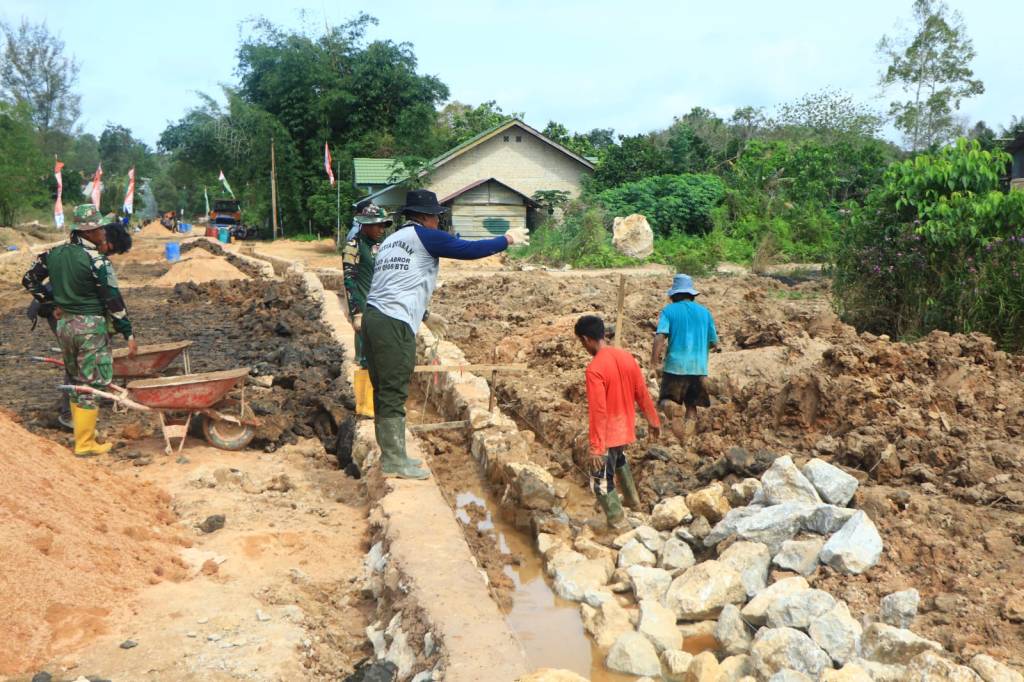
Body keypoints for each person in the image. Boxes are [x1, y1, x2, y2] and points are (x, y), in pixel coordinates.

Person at [362, 189, 529, 479]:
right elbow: (468, 250)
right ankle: (394, 461)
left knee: (384, 386)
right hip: (393, 322)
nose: (438, 223)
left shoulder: (392, 240)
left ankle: (395, 455)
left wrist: (425, 314)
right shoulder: (426, 236)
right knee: (393, 388)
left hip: (374, 317)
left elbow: (396, 283)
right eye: (436, 218)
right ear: (426, 217)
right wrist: (507, 239)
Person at [23, 221, 135, 430]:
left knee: (81, 359)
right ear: (101, 238)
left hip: (69, 311)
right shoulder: (79, 258)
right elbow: (110, 297)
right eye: (110, 249)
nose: (108, 254)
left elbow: (105, 295)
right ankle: (70, 414)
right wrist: (125, 329)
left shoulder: (82, 256)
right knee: (78, 361)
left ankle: (82, 401)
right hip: (61, 310)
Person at [47, 204, 137, 456]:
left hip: (64, 322)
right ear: (93, 233)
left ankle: (82, 436)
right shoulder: (94, 261)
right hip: (83, 324)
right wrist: (127, 332)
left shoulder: (60, 253)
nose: (104, 235)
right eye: (100, 231)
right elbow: (112, 300)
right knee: (90, 383)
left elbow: (33, 278)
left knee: (77, 379)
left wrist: (52, 304)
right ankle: (85, 443)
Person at [574, 314, 661, 527]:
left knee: (601, 482)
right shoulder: (627, 357)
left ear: (586, 339)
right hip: (624, 427)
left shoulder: (595, 369)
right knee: (619, 460)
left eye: (582, 343)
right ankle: (635, 505)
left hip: (608, 433)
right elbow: (641, 392)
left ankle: (617, 522)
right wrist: (653, 420)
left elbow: (598, 410)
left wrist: (596, 447)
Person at [649, 274, 718, 447]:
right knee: (692, 407)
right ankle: (686, 441)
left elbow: (660, 337)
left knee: (667, 400)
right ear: (691, 294)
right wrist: (698, 352)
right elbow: (713, 343)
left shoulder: (669, 311)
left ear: (674, 295)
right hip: (698, 368)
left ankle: (675, 420)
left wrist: (653, 364)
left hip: (675, 366)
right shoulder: (705, 313)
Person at [343, 203, 391, 366]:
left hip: (383, 301)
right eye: (378, 225)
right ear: (366, 224)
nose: (382, 230)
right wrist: (356, 313)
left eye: (383, 225)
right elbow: (349, 280)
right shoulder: (353, 246)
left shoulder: (384, 243)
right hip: (364, 300)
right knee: (366, 355)